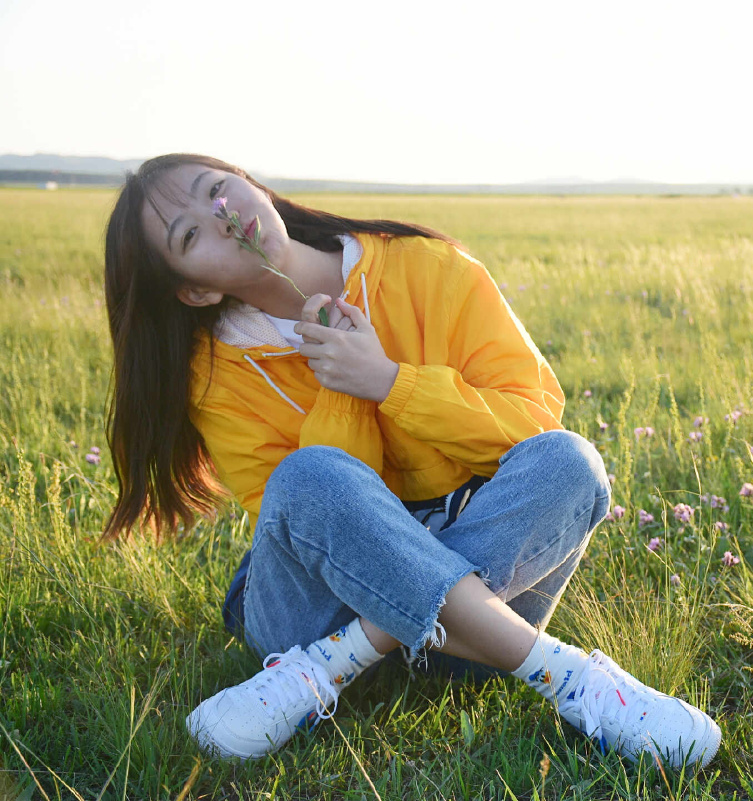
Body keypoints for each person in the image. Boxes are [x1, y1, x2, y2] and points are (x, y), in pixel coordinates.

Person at [101, 154, 721, 769]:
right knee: (309, 475)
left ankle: (335, 665)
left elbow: (530, 423)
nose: (224, 217)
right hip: (314, 607)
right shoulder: (214, 377)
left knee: (569, 463)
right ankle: (571, 679)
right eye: (191, 235)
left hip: (442, 578)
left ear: (252, 183)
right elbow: (305, 516)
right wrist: (342, 391)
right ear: (196, 289)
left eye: (218, 190)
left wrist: (390, 382)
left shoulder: (427, 267)